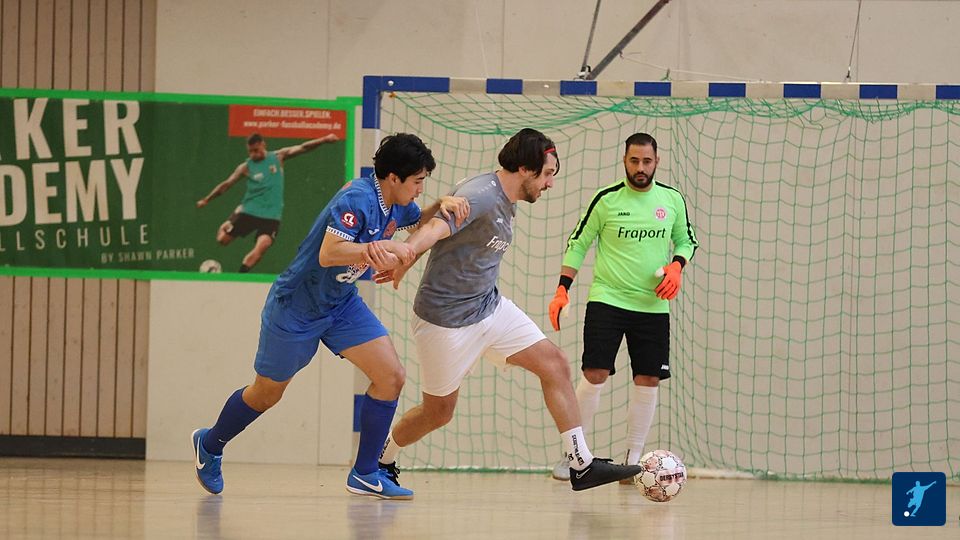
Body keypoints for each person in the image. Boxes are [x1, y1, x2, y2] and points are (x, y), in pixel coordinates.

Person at [191, 133, 469, 500]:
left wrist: (441, 204)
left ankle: (365, 473)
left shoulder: (396, 202)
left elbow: (418, 218)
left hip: (340, 304)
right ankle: (210, 444)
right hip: (296, 306)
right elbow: (329, 252)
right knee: (266, 394)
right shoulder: (357, 198)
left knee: (391, 377)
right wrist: (375, 248)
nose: (420, 189)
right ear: (393, 178)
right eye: (418, 181)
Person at [375, 128, 644, 491]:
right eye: (546, 174)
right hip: (445, 322)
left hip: (490, 307)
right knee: (438, 412)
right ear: (525, 168)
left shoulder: (507, 197)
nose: (550, 184)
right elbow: (437, 228)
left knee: (555, 364)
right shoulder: (481, 194)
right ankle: (383, 457)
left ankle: (581, 465)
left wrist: (411, 257)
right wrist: (407, 253)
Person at [547, 132, 699, 482]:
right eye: (634, 161)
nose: (640, 167)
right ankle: (574, 456)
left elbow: (686, 240)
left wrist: (677, 266)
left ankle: (632, 462)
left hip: (653, 305)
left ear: (657, 161)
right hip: (608, 300)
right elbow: (578, 243)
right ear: (624, 161)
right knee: (595, 373)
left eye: (647, 161)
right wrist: (562, 289)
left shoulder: (672, 199)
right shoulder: (606, 199)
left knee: (648, 378)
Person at [196, 132, 339, 272]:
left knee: (262, 246)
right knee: (222, 240)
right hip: (249, 211)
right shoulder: (246, 167)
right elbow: (227, 184)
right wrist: (207, 199)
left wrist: (324, 139)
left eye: (256, 150)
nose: (253, 154)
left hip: (271, 216)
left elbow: (303, 147)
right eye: (250, 151)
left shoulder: (278, 157)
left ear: (263, 145)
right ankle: (229, 221)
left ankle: (241, 274)